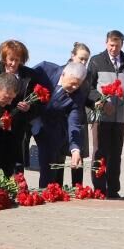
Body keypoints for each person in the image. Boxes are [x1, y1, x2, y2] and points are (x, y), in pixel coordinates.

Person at [86, 29, 124, 198]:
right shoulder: (96, 61)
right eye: (111, 45)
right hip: (101, 117)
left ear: (122, 45)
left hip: (120, 117)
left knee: (116, 153)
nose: (113, 49)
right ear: (106, 43)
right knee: (100, 152)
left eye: (116, 46)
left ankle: (113, 190)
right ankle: (99, 189)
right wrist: (101, 102)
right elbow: (88, 88)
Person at [0, 39, 40, 178]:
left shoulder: (29, 76)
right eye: (10, 59)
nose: (13, 63)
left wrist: (29, 107)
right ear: (4, 58)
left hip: (17, 132)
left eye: (17, 60)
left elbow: (39, 102)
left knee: (15, 172)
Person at [30, 60, 88, 188]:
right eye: (72, 84)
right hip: (27, 114)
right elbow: (24, 81)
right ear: (63, 74)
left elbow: (74, 123)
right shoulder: (44, 69)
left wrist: (75, 150)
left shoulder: (77, 97)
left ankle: (45, 192)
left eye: (78, 85)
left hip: (50, 126)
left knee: (49, 163)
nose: (74, 88)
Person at [69, 42, 94, 187]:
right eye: (81, 59)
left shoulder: (88, 74)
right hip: (62, 118)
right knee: (59, 155)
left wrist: (93, 104)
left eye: (86, 60)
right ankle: (56, 188)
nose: (84, 62)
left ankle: (77, 187)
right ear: (73, 56)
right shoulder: (63, 70)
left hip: (79, 116)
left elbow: (86, 96)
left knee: (79, 155)